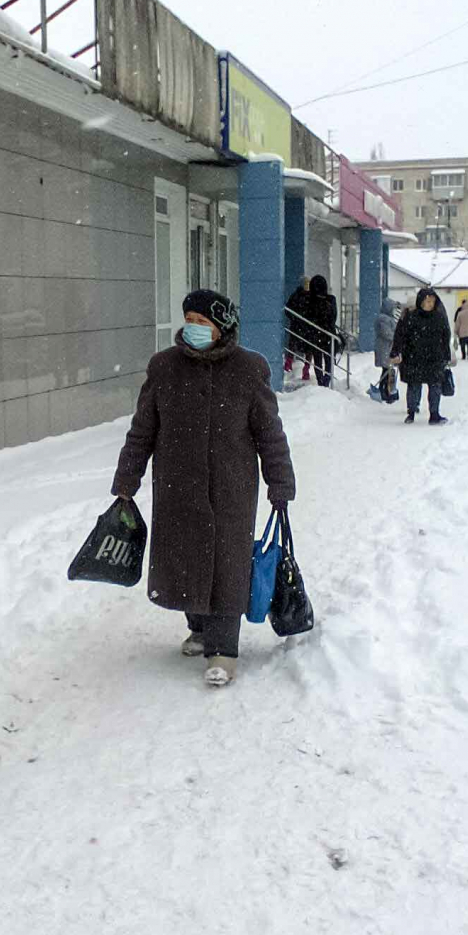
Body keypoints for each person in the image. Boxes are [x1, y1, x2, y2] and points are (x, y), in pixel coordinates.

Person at [112, 289, 296, 688]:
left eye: (203, 322)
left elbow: (270, 434)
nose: (193, 327)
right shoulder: (164, 367)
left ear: (222, 326)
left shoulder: (249, 369)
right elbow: (142, 431)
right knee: (185, 560)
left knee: (227, 565)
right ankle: (198, 627)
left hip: (232, 488)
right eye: (189, 320)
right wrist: (127, 479)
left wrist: (280, 482)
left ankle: (223, 650)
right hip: (178, 485)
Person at [389, 286, 452, 426]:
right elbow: (400, 335)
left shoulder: (439, 318)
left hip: (434, 358)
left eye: (432, 301)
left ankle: (434, 414)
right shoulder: (411, 317)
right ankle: (411, 412)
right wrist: (395, 351)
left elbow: (445, 337)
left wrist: (446, 355)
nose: (430, 304)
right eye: (427, 301)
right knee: (414, 386)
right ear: (421, 302)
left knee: (435, 387)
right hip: (414, 357)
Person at [304, 274, 338, 387]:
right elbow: (334, 317)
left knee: (317, 359)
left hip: (315, 334)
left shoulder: (310, 301)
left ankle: (320, 382)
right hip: (328, 333)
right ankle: (326, 381)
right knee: (328, 359)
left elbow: (308, 317)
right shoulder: (331, 300)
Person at [284, 276, 312, 379]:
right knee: (293, 345)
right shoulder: (296, 295)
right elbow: (287, 309)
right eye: (306, 283)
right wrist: (295, 318)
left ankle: (306, 369)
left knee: (308, 348)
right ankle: (289, 364)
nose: (307, 285)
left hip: (306, 327)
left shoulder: (311, 296)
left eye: (308, 283)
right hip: (298, 326)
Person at [372, 298, 399, 400]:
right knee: (387, 370)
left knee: (387, 370)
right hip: (385, 348)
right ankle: (384, 391)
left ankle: (386, 390)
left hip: (387, 347)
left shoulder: (387, 318)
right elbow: (386, 333)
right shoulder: (384, 319)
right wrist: (396, 337)